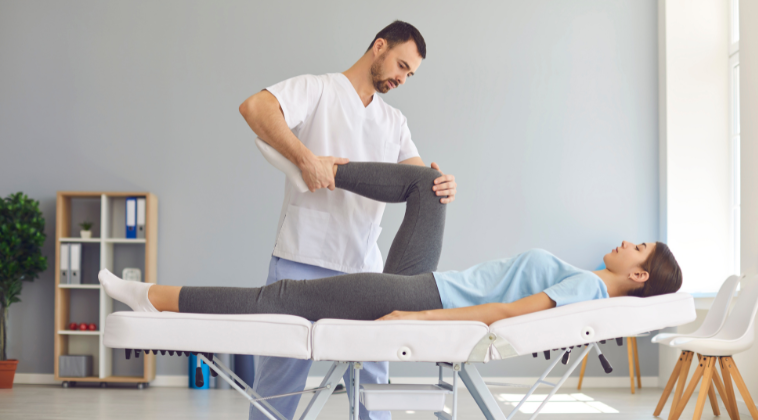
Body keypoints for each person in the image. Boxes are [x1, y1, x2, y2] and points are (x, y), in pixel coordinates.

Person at [100, 162, 683, 328]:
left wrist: (419, 319)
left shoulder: (583, 286)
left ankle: (151, 295)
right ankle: (324, 167)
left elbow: (504, 314)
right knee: (429, 184)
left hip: (423, 296)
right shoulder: (582, 281)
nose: (627, 242)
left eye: (639, 248)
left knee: (279, 296)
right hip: (426, 281)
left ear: (638, 275)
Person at [238, 20, 456, 420]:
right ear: (379, 47)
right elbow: (255, 108)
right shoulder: (318, 89)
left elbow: (415, 180)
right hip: (303, 257)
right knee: (278, 385)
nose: (404, 78)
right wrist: (306, 159)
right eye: (402, 66)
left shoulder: (395, 123)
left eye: (411, 73)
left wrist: (438, 184)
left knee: (374, 385)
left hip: (364, 268)